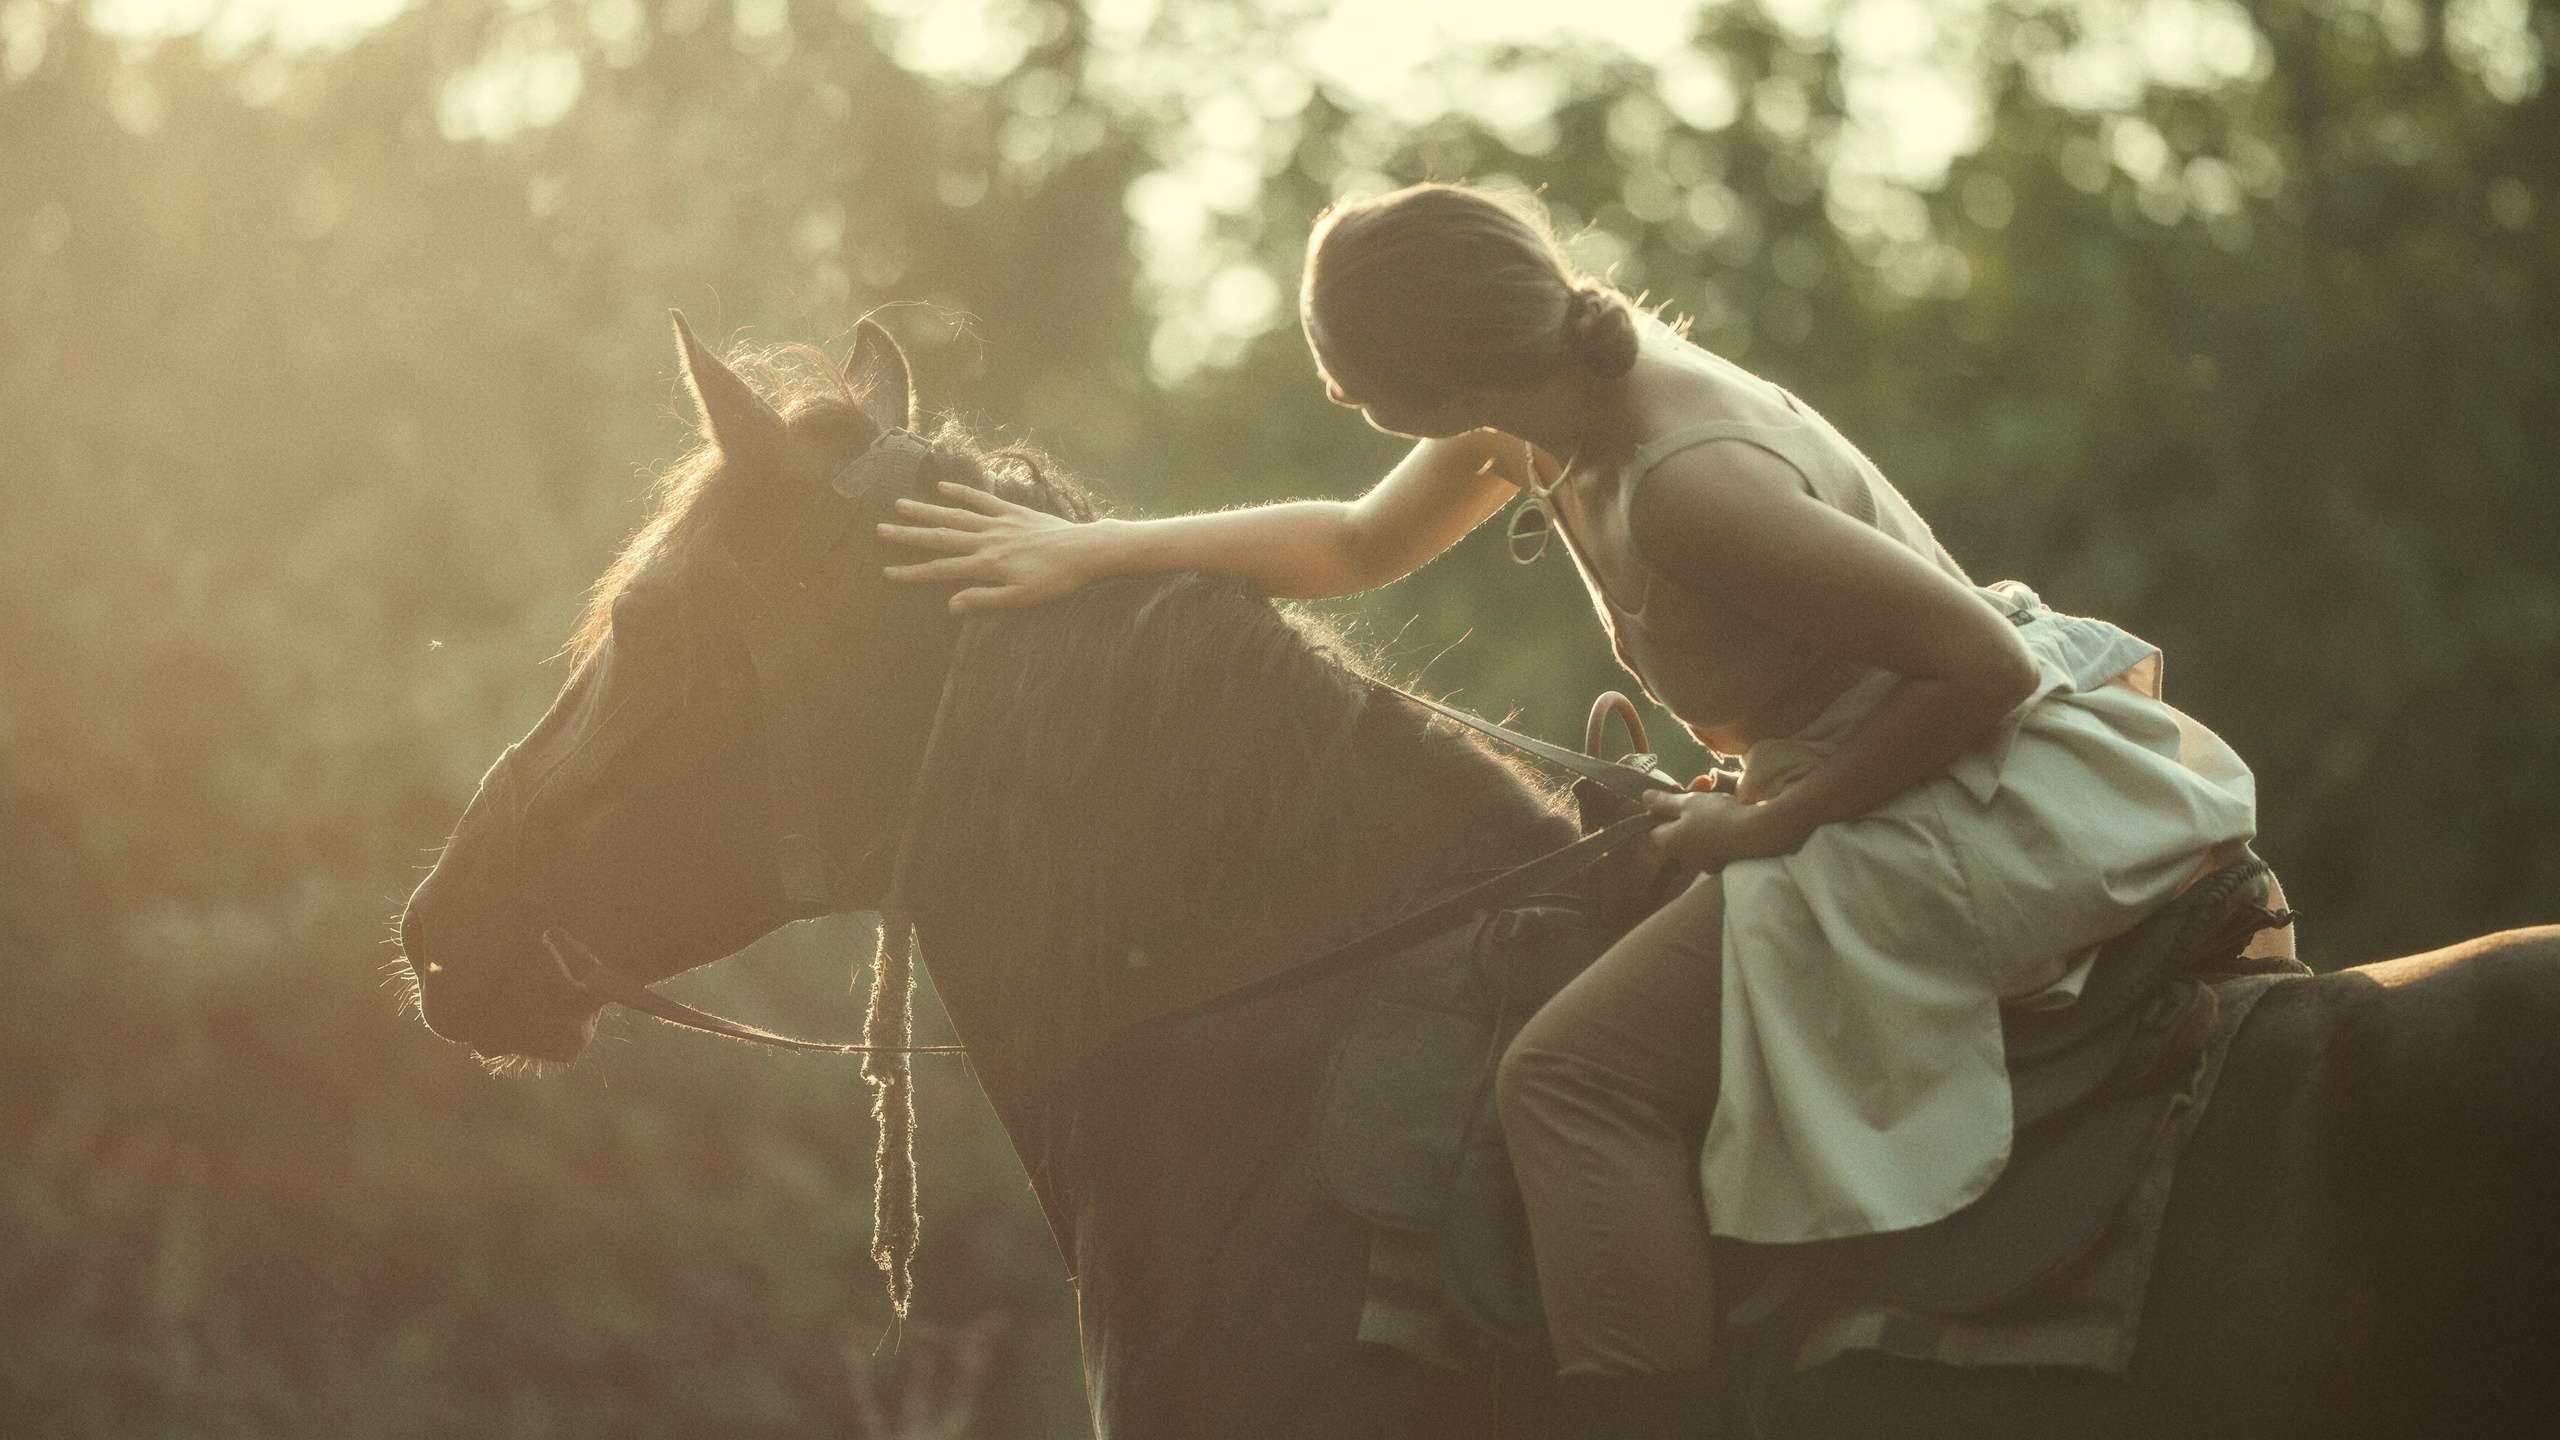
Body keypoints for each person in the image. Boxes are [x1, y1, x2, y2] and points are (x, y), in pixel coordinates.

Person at [874, 182, 2279, 1436]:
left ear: (1422, 382)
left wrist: (1770, 826)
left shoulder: (1682, 487)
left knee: (1571, 1079)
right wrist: (1091, 551)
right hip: (1852, 774)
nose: (1350, 406)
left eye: (1351, 380)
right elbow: (1356, 544)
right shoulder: (1537, 411)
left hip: (1956, 798)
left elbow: (1986, 666)